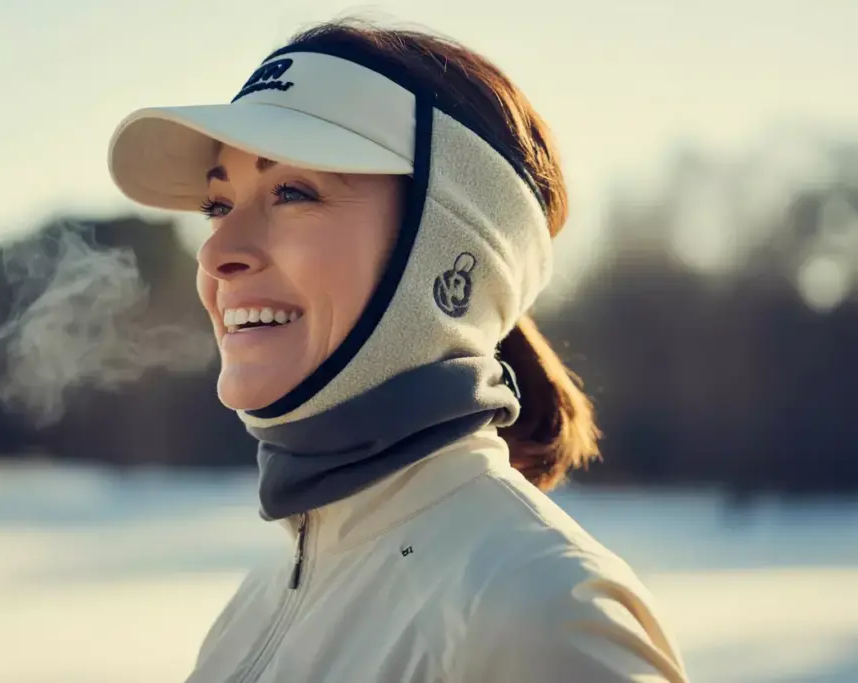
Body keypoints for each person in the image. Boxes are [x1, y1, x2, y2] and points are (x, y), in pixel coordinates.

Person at [107, 18, 691, 683]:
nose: (216, 252)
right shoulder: (254, 607)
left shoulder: (541, 609)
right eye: (218, 204)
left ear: (447, 251)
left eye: (293, 192)